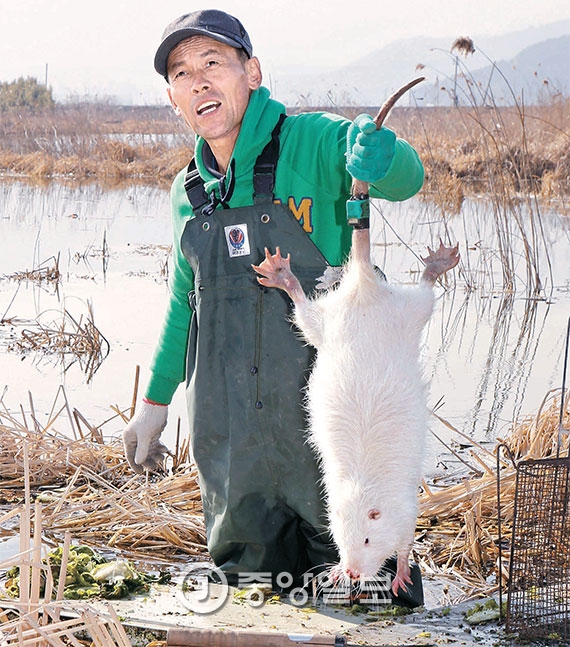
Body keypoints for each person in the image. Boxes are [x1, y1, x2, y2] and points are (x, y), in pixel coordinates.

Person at [123, 8, 425, 601]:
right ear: (173, 99)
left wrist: (380, 154)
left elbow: (406, 178)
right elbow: (184, 302)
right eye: (183, 74)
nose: (200, 81)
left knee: (364, 598)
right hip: (239, 455)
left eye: (214, 63)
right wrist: (154, 404)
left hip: (337, 443)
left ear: (252, 72)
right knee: (253, 598)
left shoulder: (312, 140)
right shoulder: (187, 194)